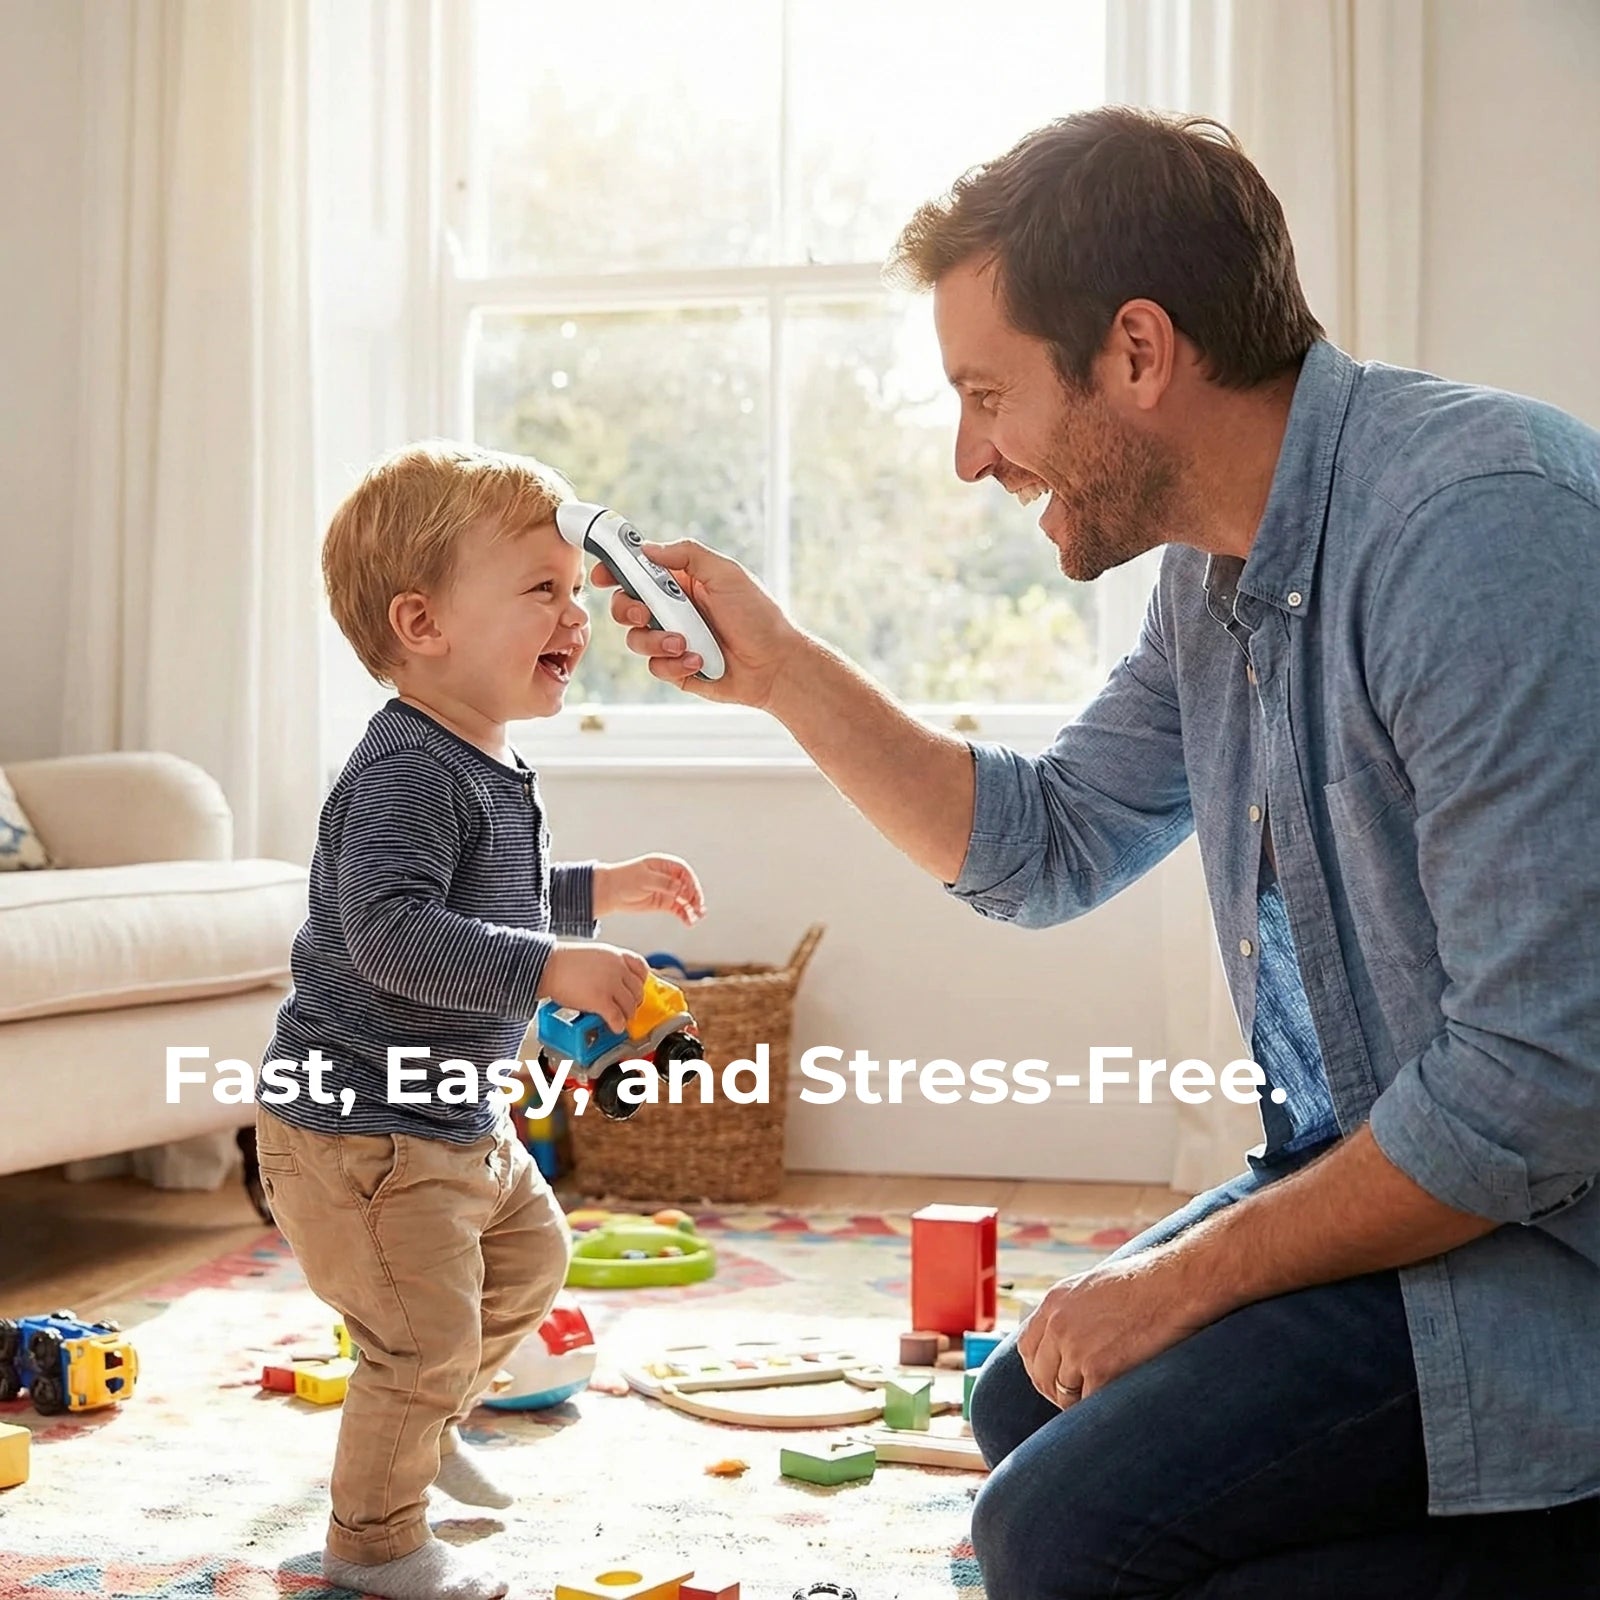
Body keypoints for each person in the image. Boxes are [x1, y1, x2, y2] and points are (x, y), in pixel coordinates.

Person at [592, 108, 1600, 1597]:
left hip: (1544, 1245)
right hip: (1398, 1173)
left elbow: (1535, 1087)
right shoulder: (1219, 576)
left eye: (987, 394)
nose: (966, 456)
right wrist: (779, 670)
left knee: (1057, 1537)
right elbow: (1047, 848)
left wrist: (1182, 1279)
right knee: (1021, 1402)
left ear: (1137, 352)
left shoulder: (1476, 526)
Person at [255, 441, 705, 1600]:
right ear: (423, 622)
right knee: (420, 1339)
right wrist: (556, 964)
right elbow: (395, 937)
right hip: (364, 1133)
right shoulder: (408, 768)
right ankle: (374, 1545)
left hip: (450, 1121)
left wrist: (602, 890)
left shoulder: (484, 758)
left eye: (574, 589)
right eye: (541, 589)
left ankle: (422, 1418)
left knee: (533, 1258)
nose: (577, 614)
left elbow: (493, 901)